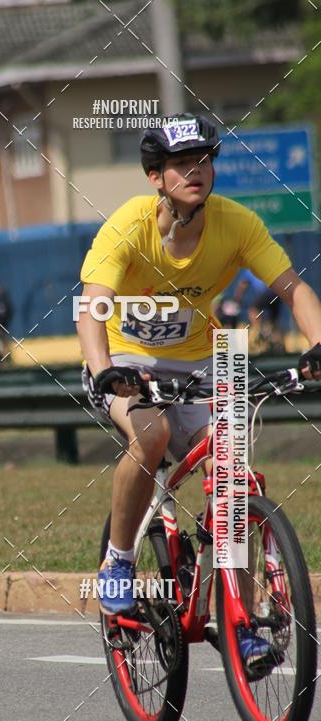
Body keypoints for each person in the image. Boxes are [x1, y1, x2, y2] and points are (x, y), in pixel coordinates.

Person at [76, 113, 321, 672]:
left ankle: (239, 616)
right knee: (153, 432)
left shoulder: (236, 224)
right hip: (124, 359)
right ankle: (117, 561)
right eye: (180, 163)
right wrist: (105, 370)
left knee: (232, 465)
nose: (195, 170)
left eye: (204, 160)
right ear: (155, 177)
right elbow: (92, 308)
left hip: (203, 361)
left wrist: (318, 342)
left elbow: (295, 288)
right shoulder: (129, 226)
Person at [234, 269, 285, 352]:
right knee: (274, 323)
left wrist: (237, 300)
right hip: (277, 295)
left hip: (267, 292)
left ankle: (259, 330)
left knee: (253, 310)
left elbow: (242, 286)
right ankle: (280, 346)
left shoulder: (249, 270)